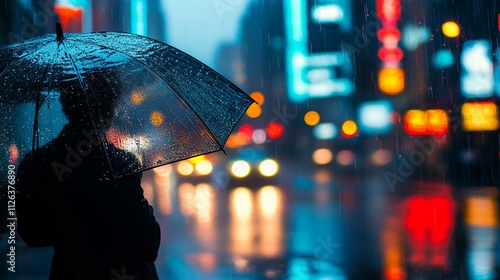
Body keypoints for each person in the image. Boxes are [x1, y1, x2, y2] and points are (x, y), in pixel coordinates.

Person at [16, 73, 161, 280]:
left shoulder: (37, 162)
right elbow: (148, 244)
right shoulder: (119, 165)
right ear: (108, 112)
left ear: (66, 107)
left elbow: (32, 234)